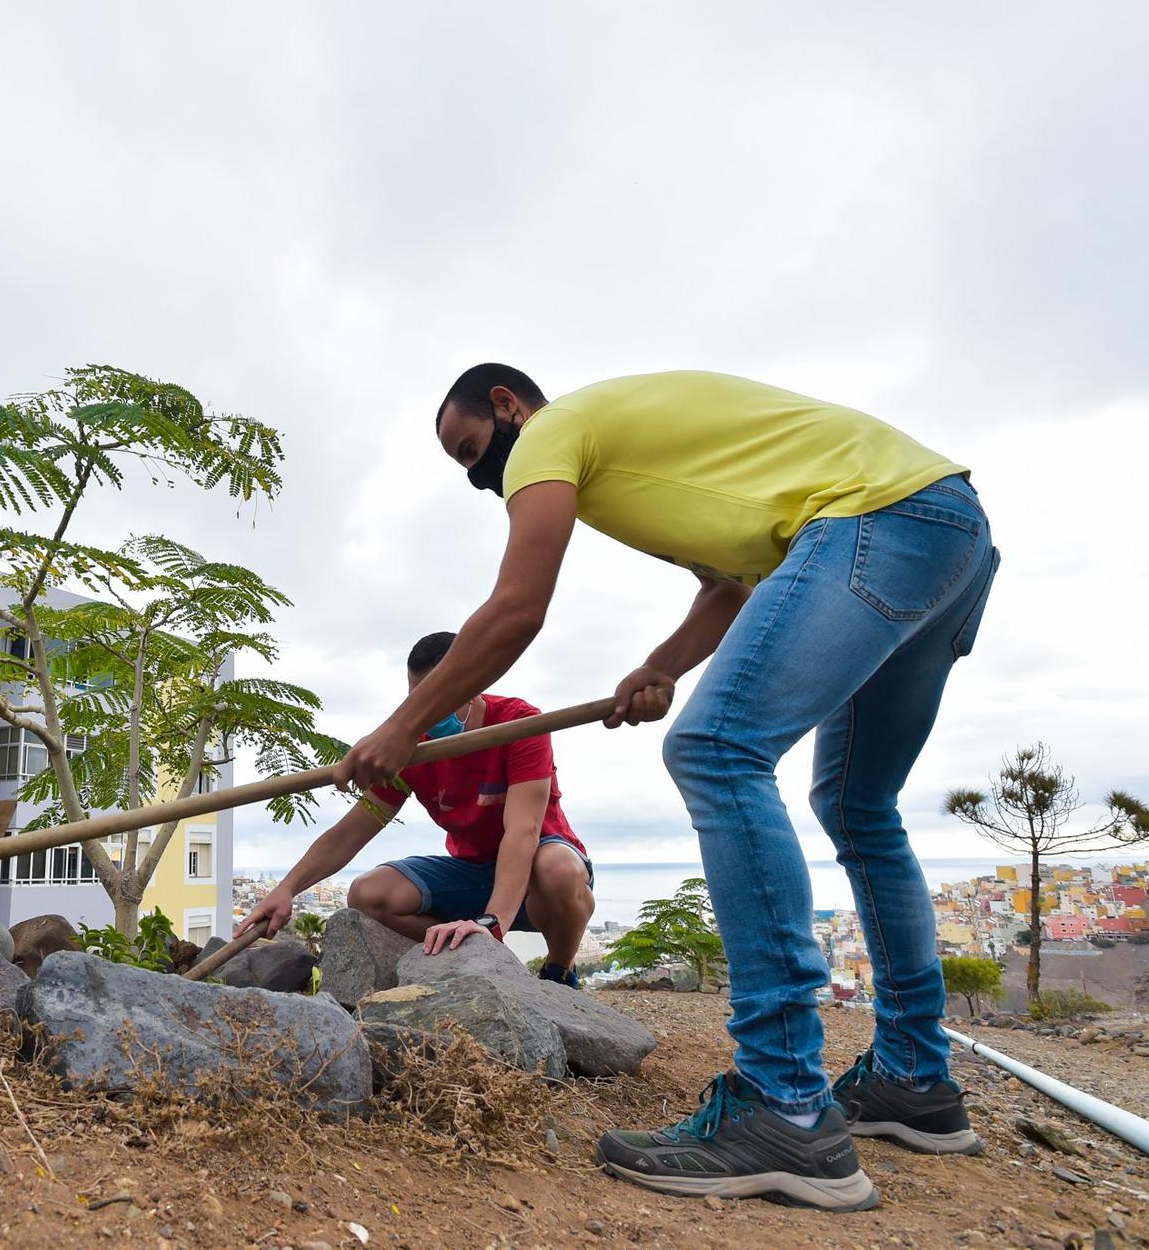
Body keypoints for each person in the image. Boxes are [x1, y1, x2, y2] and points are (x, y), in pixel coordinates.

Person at [335, 365, 999, 1213]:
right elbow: (729, 587)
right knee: (858, 808)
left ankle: (785, 1104)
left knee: (718, 748)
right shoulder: (645, 470)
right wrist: (658, 668)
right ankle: (915, 1077)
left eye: (474, 452)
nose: (482, 478)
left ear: (507, 407)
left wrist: (403, 723)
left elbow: (515, 609)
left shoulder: (550, 432)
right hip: (947, 532)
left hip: (874, 521)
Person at [238, 631, 595, 981]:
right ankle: (471, 954)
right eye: (418, 700)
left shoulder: (519, 724)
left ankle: (558, 972)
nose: (428, 713)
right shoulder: (413, 749)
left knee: (558, 870)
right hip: (472, 874)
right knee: (368, 894)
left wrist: (492, 922)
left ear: (471, 686)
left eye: (439, 698)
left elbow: (524, 831)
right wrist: (287, 888)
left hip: (538, 872)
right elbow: (351, 832)